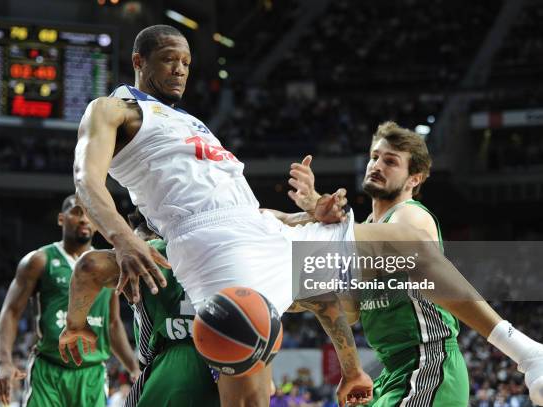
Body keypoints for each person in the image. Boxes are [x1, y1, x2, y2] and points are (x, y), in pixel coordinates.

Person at [70, 24, 543, 406]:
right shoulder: (114, 109)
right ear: (138, 62)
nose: (180, 70)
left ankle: (527, 356)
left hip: (263, 234)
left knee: (408, 251)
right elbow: (86, 181)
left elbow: (246, 210)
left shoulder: (194, 122)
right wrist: (122, 237)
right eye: (169, 60)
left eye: (187, 62)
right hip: (215, 253)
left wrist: (305, 217)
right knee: (252, 396)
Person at [288, 122, 470, 405]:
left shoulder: (409, 216)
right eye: (374, 157)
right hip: (394, 370)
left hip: (429, 362)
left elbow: (361, 253)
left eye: (390, 161)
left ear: (414, 179)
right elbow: (350, 312)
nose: (377, 165)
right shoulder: (370, 228)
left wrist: (317, 213)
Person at [59, 209, 221, 406]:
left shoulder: (148, 253)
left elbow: (88, 266)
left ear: (152, 235)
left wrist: (75, 324)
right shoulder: (224, 244)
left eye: (136, 241)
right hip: (227, 366)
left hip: (170, 367)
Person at [0, 195, 139, 406]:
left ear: (97, 224)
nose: (83, 219)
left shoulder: (108, 265)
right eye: (76, 212)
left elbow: (113, 323)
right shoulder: (39, 260)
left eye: (89, 214)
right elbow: (11, 312)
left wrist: (133, 367)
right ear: (61, 219)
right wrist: (4, 361)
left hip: (92, 373)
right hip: (49, 371)